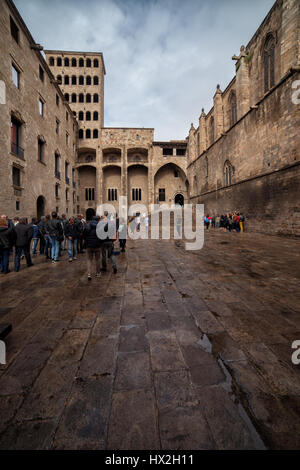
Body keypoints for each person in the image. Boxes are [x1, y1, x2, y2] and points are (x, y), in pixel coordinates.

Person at [83, 215, 102, 280]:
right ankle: (98, 273)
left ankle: (89, 274)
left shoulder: (87, 226)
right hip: (97, 245)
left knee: (89, 260)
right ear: (98, 220)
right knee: (98, 259)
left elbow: (84, 235)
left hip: (89, 245)